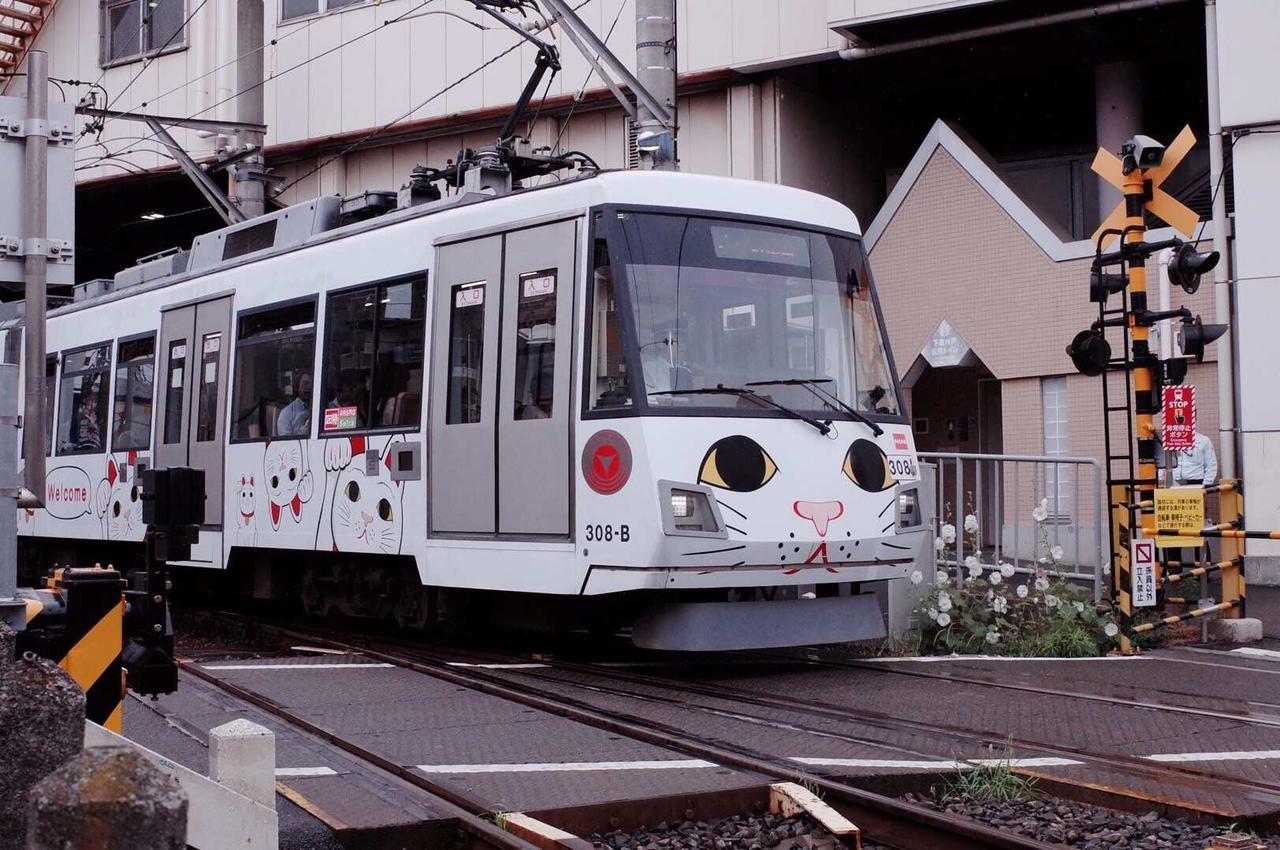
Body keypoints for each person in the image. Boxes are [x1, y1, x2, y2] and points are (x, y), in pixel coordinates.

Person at [276, 372, 312, 436]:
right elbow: (285, 441)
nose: (309, 387)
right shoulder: (287, 413)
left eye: (311, 384)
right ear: (297, 387)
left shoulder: (322, 410)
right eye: (305, 384)